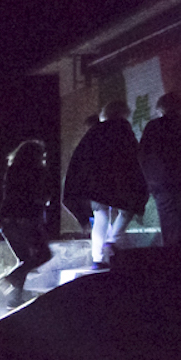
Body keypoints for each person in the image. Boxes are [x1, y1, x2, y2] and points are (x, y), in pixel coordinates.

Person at [62, 100, 148, 268]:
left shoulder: (95, 131)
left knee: (101, 215)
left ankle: (98, 257)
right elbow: (133, 156)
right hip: (119, 179)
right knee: (127, 211)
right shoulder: (124, 130)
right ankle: (112, 240)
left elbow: (81, 157)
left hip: (96, 181)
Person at [0, 139, 58, 307]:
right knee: (44, 254)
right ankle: (10, 279)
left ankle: (14, 300)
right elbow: (45, 196)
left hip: (6, 220)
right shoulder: (39, 171)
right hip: (27, 219)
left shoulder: (12, 170)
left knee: (24, 259)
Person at [138, 92, 181, 246]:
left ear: (160, 107)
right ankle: (176, 249)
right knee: (178, 216)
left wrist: (148, 178)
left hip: (160, 179)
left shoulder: (153, 126)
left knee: (166, 216)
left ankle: (169, 251)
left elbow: (143, 153)